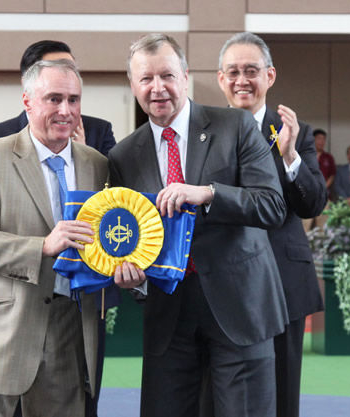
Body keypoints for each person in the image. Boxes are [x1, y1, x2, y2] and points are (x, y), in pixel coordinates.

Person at [108, 33, 288, 417]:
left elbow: (272, 206)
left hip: (239, 308)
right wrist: (133, 276)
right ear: (133, 86)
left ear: (186, 76)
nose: (158, 88)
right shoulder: (123, 155)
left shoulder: (236, 126)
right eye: (146, 79)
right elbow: (129, 236)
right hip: (168, 314)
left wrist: (208, 193)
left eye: (167, 76)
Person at [0, 59, 108, 417]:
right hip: (3, 335)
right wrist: (42, 245)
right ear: (27, 101)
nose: (65, 110)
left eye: (73, 100)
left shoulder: (98, 164)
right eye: (53, 99)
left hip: (70, 334)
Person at [217, 32, 327, 417]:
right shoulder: (206, 130)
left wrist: (291, 155)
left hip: (282, 280)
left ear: (270, 76)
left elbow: (311, 202)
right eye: (233, 72)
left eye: (251, 70)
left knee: (281, 397)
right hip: (222, 283)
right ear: (220, 79)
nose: (242, 80)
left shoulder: (294, 131)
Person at [0, 40, 116, 156]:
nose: (64, 74)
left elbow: (113, 183)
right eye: (53, 67)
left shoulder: (100, 131)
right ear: (27, 83)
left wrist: (83, 154)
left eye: (70, 68)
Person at [303, 128, 336, 231]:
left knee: (323, 225)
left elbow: (332, 175)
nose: (321, 142)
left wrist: (323, 187)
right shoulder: (305, 155)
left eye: (323, 139)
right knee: (305, 225)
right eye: (319, 139)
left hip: (323, 196)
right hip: (307, 195)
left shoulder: (328, 157)